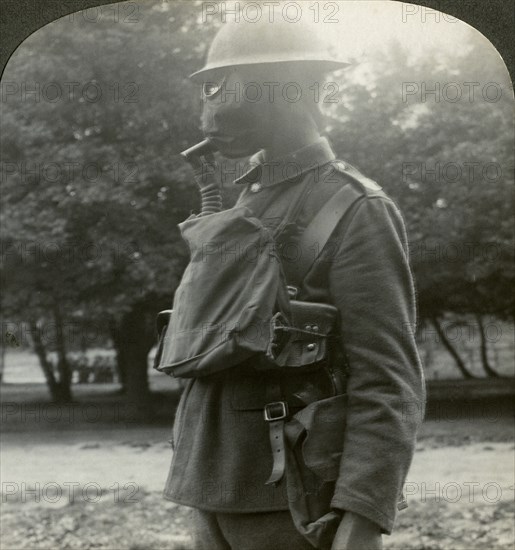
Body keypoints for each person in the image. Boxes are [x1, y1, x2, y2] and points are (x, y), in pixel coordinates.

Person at [162, 13, 426, 550]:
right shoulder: (252, 198)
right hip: (213, 487)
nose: (207, 107)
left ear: (283, 87)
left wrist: (363, 514)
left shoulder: (353, 206)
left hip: (293, 501)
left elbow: (388, 376)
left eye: (220, 87)